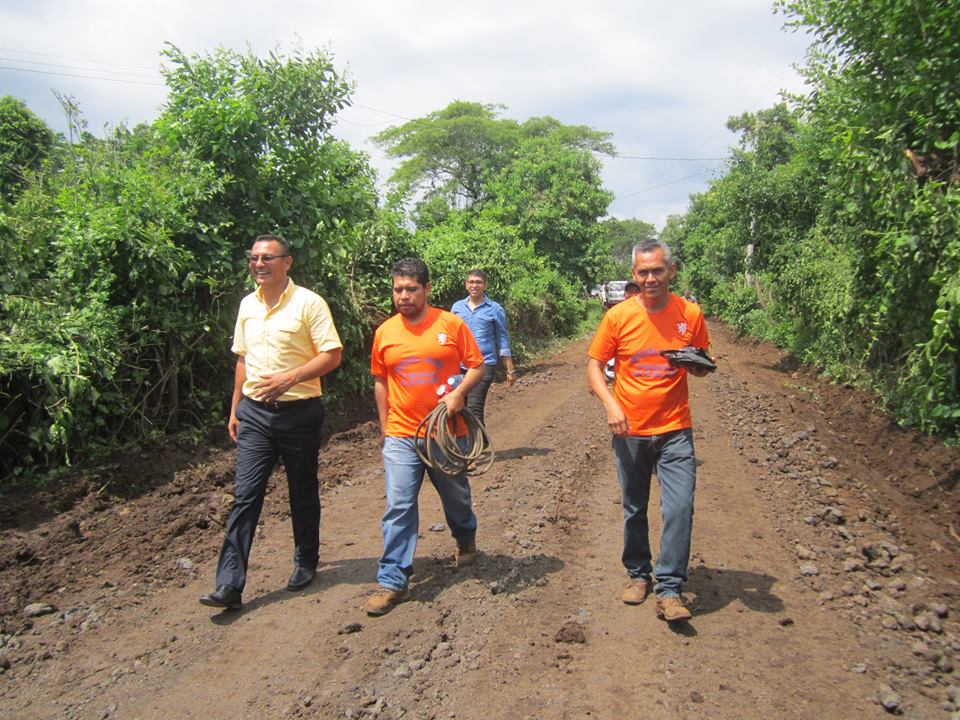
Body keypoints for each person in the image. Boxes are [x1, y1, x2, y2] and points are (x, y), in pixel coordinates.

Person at [200, 234, 343, 610]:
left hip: (299, 413)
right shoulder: (247, 305)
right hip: (255, 415)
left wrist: (290, 378)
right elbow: (242, 360)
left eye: (267, 258)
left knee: (302, 490)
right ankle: (229, 585)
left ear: (287, 263)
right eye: (254, 258)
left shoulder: (309, 303)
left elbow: (332, 354)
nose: (258, 264)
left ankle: (306, 560)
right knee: (245, 496)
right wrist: (235, 407)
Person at [586, 239, 711, 623]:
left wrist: (696, 365)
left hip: (675, 428)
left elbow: (704, 364)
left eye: (658, 270)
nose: (651, 278)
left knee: (679, 506)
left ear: (671, 271)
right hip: (630, 431)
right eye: (643, 272)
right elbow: (594, 365)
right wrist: (611, 405)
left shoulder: (689, 314)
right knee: (634, 507)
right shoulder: (618, 317)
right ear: (634, 275)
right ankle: (639, 574)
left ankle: (670, 588)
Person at [365, 258, 486, 616]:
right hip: (402, 433)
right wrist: (385, 428)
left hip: (446, 433)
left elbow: (476, 365)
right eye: (398, 289)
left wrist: (458, 393)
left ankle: (465, 538)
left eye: (411, 289)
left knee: (456, 497)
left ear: (426, 289)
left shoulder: (451, 324)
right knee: (399, 504)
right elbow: (381, 380)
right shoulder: (385, 332)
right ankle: (392, 579)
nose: (403, 296)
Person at [450, 269, 516, 426]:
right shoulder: (457, 307)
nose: (475, 285)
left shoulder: (495, 309)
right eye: (471, 282)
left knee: (474, 406)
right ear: (466, 285)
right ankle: (476, 442)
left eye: (478, 282)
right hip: (459, 364)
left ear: (485, 285)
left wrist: (510, 369)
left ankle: (475, 446)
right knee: (459, 405)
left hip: (485, 363)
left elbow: (502, 338)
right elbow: (449, 334)